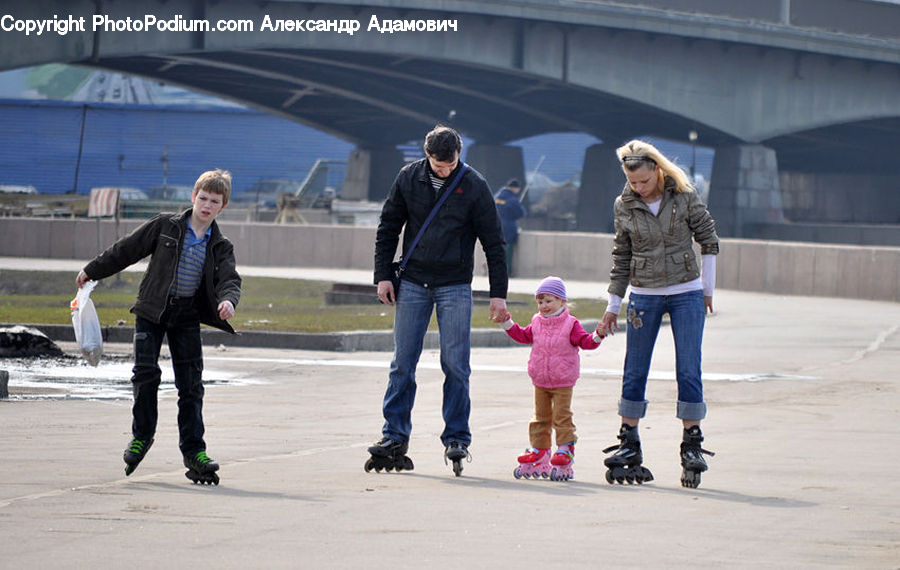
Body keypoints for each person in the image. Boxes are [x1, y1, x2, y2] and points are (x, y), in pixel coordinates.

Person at [75, 169, 241, 485]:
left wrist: (229, 301)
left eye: (214, 201)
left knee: (191, 386)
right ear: (193, 197)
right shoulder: (166, 226)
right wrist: (91, 270)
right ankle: (142, 436)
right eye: (202, 198)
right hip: (151, 311)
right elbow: (126, 249)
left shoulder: (220, 245)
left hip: (187, 316)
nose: (206, 205)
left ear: (223, 206)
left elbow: (230, 279)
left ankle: (195, 452)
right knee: (146, 375)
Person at [367, 124, 509, 476]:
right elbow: (388, 226)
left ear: (459, 154)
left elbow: (494, 242)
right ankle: (394, 436)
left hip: (454, 285)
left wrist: (498, 295)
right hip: (413, 281)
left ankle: (457, 436)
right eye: (438, 164)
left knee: (456, 365)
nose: (444, 170)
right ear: (426, 154)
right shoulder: (408, 177)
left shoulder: (473, 184)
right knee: (403, 363)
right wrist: (383, 275)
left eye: (450, 164)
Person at [597, 139, 719, 489]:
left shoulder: (683, 196)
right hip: (643, 294)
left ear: (658, 172)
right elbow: (621, 258)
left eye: (644, 182)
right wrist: (611, 307)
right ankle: (629, 442)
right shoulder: (624, 206)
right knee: (634, 369)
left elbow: (709, 239)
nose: (639, 188)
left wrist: (707, 290)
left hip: (686, 292)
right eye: (633, 182)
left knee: (688, 367)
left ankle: (691, 442)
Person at [501, 276, 604, 481]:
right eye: (540, 302)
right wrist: (507, 322)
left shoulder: (570, 324)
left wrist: (598, 335)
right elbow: (523, 336)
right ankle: (540, 451)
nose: (544, 306)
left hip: (563, 380)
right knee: (540, 418)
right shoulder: (536, 322)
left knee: (561, 417)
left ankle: (565, 449)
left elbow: (585, 342)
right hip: (540, 379)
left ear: (562, 301)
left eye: (549, 301)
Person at [494, 178, 527, 277]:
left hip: (495, 225)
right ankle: (507, 271)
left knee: (496, 249)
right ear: (516, 188)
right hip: (508, 227)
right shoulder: (512, 199)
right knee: (508, 249)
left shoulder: (497, 196)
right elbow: (522, 213)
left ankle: (495, 270)